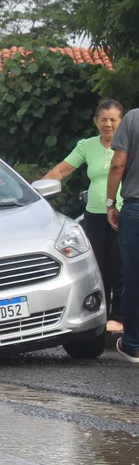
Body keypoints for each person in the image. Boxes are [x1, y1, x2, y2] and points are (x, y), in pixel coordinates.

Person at [44, 99, 125, 328]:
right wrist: (35, 192)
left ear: (122, 122)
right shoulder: (87, 146)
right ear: (95, 121)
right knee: (98, 267)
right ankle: (101, 316)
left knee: (121, 265)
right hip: (95, 216)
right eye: (103, 119)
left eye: (113, 119)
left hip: (124, 213)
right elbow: (62, 170)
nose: (108, 124)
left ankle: (120, 317)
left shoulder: (131, 145)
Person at [107, 106, 139, 361]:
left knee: (135, 277)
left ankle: (133, 343)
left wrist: (110, 203)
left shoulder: (133, 118)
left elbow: (118, 164)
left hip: (136, 208)